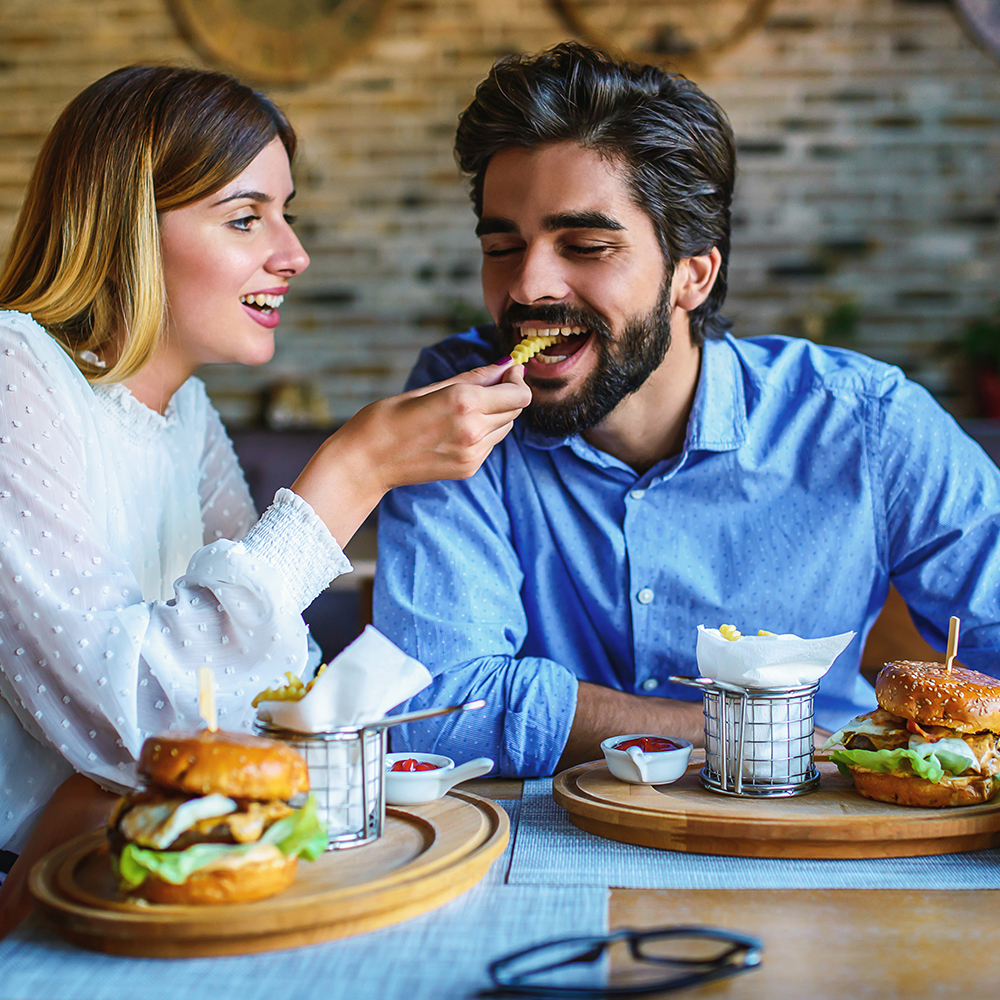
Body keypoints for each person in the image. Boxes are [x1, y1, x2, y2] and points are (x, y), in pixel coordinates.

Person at [372, 42, 1000, 777]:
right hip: (548, 855)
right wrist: (756, 729)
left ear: (692, 276)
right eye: (504, 245)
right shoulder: (454, 404)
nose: (527, 285)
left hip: (820, 845)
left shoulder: (866, 422)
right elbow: (440, 710)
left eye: (584, 245)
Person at [0, 64, 530, 886]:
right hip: (47, 888)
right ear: (127, 227)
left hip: (171, 866)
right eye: (246, 219)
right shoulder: (12, 369)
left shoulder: (186, 414)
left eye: (286, 216)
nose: (294, 254)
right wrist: (356, 470)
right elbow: (141, 716)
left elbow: (256, 690)